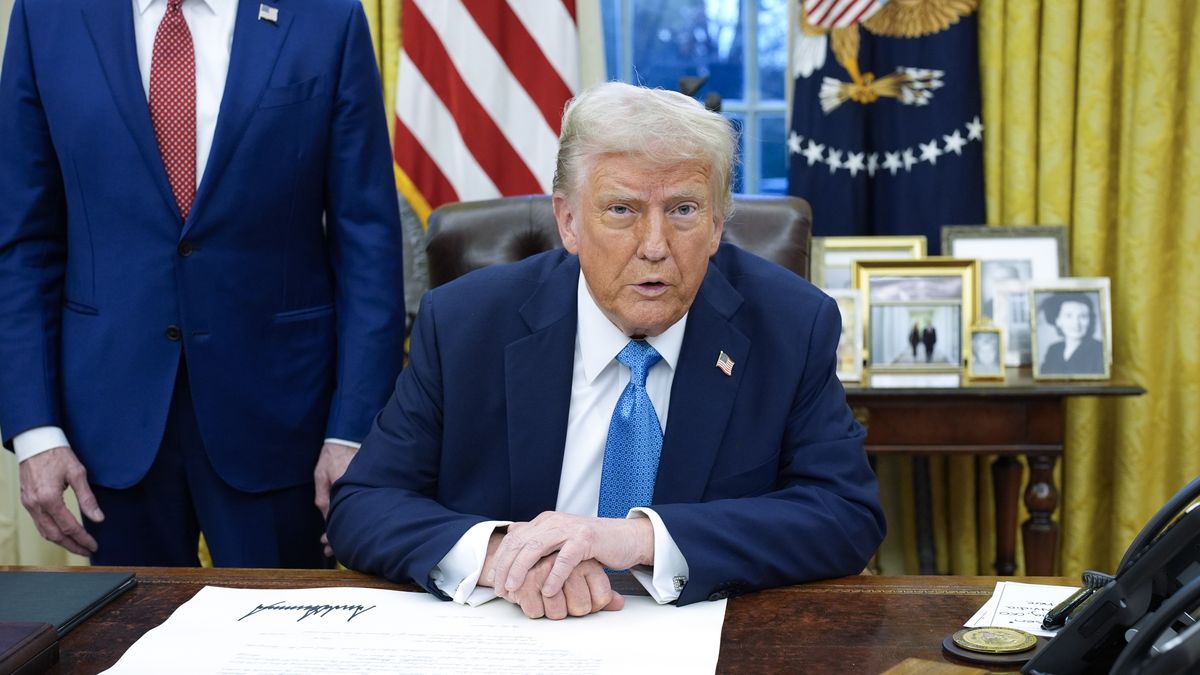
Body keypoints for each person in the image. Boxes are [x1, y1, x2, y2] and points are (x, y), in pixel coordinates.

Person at [328, 82, 885, 619]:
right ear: (568, 221)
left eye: (684, 210)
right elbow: (365, 503)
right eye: (622, 210)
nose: (654, 247)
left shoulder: (790, 324)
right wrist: (505, 557)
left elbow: (845, 514)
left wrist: (636, 538)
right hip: (515, 635)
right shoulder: (465, 323)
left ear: (717, 225)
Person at [0, 0, 405, 567]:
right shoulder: (48, 17)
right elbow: (22, 242)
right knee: (131, 647)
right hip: (111, 422)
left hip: (283, 420)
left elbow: (368, 241)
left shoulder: (325, 16)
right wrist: (35, 429)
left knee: (281, 650)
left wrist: (355, 432)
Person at [1038, 292, 1104, 375]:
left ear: (1090, 320)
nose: (1076, 323)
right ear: (1058, 320)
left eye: (1083, 316)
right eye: (1069, 316)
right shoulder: (1054, 350)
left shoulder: (1099, 350)